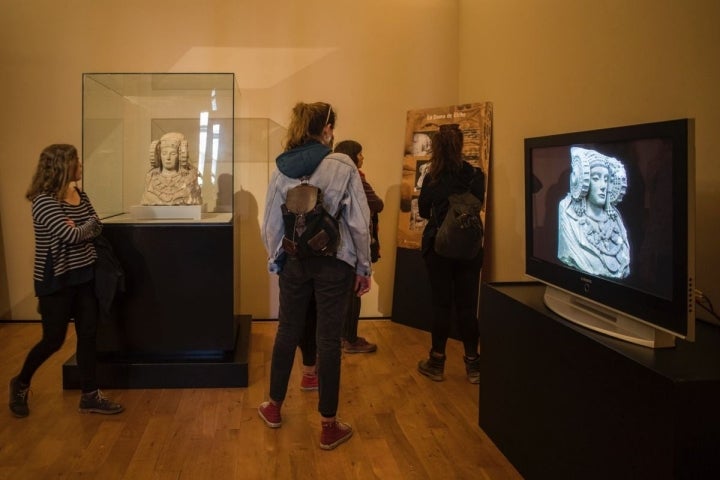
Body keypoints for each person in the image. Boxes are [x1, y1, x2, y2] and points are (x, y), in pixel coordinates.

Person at [259, 102, 372, 450]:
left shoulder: (282, 169)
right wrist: (363, 266)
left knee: (287, 331)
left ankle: (274, 407)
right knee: (328, 340)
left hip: (296, 261)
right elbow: (358, 222)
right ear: (326, 129)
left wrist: (275, 258)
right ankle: (328, 425)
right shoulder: (341, 164)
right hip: (335, 263)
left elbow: (270, 225)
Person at [9, 144, 124, 418]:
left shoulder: (78, 194)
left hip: (84, 275)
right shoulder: (44, 201)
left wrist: (80, 229)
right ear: (62, 166)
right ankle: (21, 382)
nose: (81, 165)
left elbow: (97, 224)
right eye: (76, 161)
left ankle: (90, 395)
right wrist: (82, 229)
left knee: (88, 335)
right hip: (56, 281)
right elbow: (71, 234)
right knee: (53, 340)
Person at [416, 124, 485, 384]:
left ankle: (436, 362)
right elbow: (478, 204)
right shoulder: (475, 175)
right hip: (469, 248)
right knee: (467, 307)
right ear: (461, 145)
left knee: (441, 305)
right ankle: (473, 364)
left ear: (436, 147)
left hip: (439, 248)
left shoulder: (432, 177)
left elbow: (423, 211)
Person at [333, 140, 384, 353]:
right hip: (354, 243)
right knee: (355, 291)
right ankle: (349, 339)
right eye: (360, 154)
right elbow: (377, 204)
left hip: (336, 244)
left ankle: (342, 337)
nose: (363, 158)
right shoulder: (357, 179)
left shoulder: (332, 177)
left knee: (343, 293)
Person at [558, 147, 630, 279]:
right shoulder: (568, 212)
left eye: (606, 179)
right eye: (596, 178)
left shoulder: (615, 217)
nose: (603, 185)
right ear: (582, 181)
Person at [141, 132, 202, 206]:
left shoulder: (189, 178)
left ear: (180, 156)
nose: (168, 158)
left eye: (173, 154)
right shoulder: (151, 177)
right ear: (159, 156)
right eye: (164, 153)